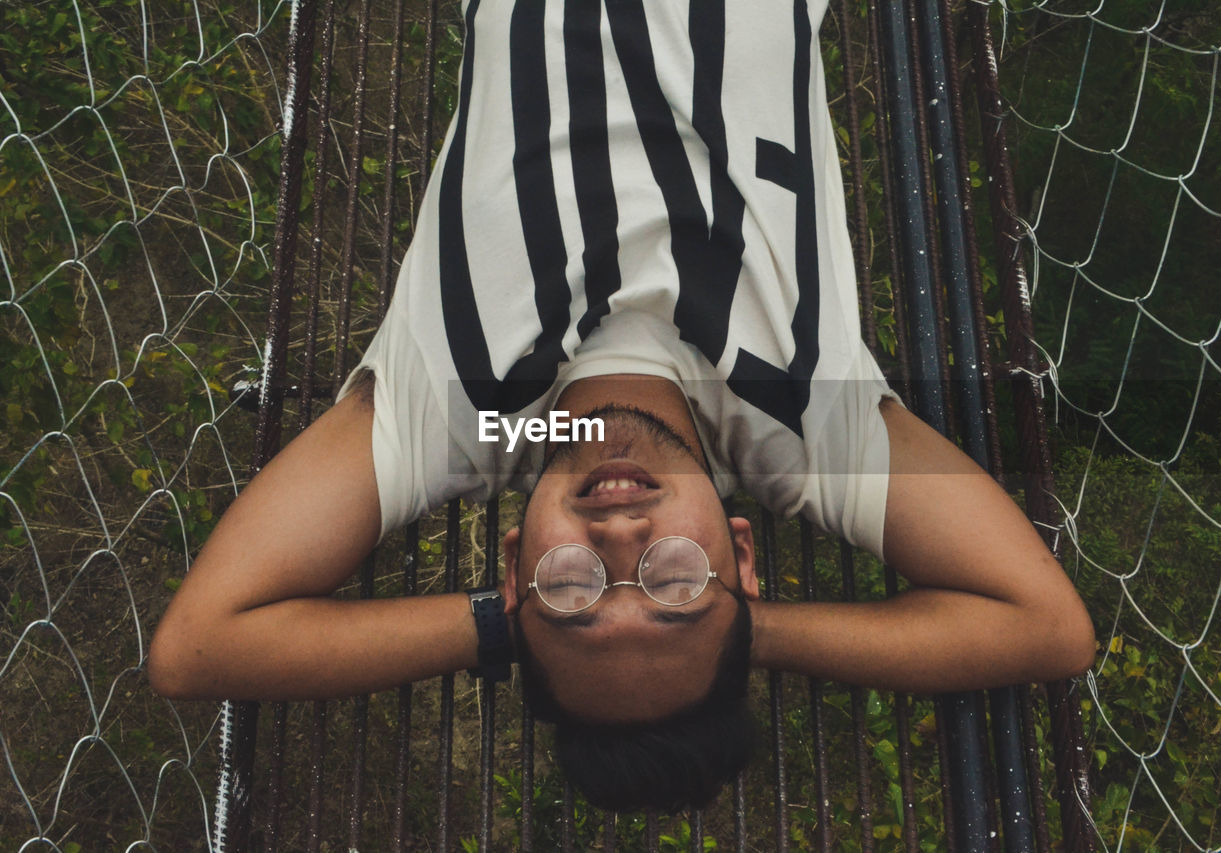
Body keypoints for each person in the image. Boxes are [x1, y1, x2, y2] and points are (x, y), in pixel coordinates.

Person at [148, 0, 1095, 813]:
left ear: (515, 567)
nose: (621, 537)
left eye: (572, 591)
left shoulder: (456, 421)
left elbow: (198, 648)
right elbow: (1045, 625)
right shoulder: (807, 433)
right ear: (744, 554)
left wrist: (508, 622)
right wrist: (746, 632)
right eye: (677, 580)